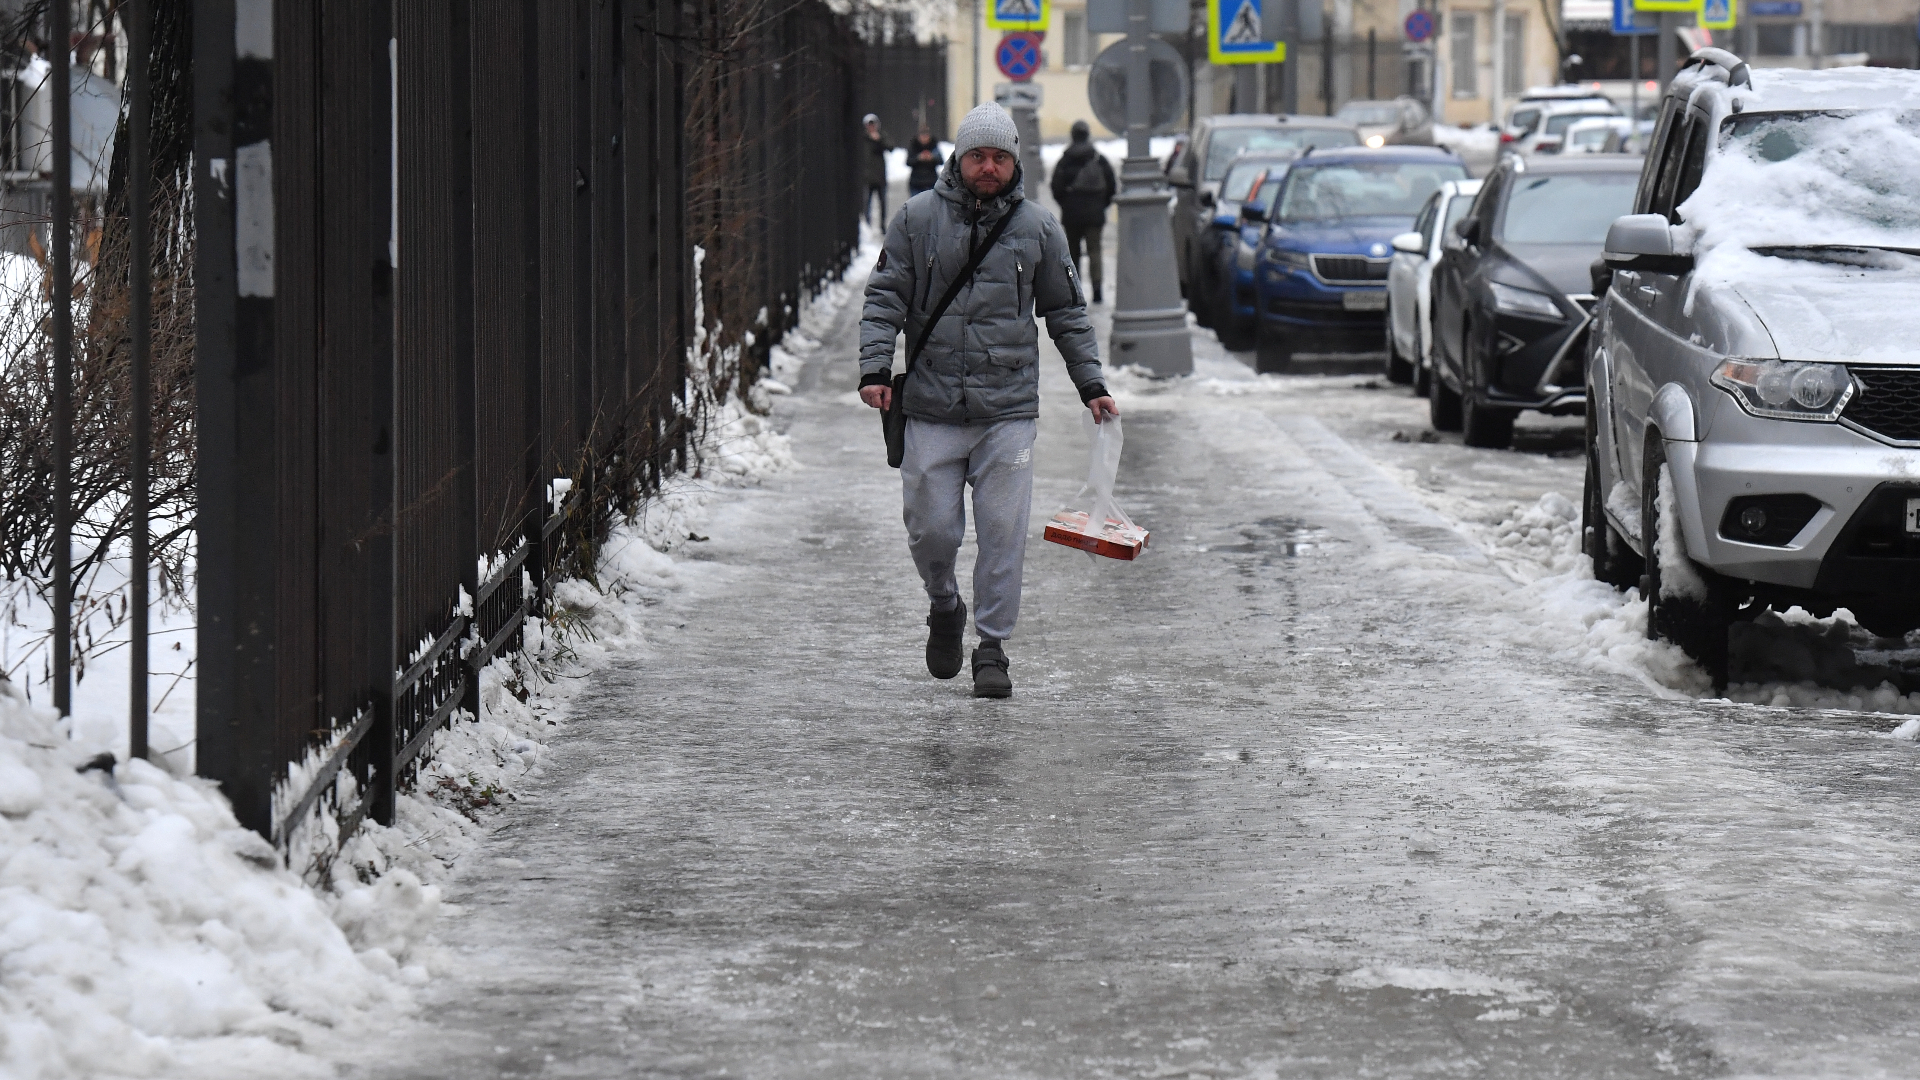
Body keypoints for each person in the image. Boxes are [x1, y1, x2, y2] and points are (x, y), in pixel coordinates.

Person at [859, 102, 1119, 700]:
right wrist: (876, 367)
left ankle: (993, 647)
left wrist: (1092, 386)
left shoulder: (1038, 228)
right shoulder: (916, 218)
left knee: (1003, 532)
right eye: (978, 155)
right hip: (930, 405)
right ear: (959, 157)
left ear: (1014, 163)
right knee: (932, 531)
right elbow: (885, 297)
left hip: (1007, 410)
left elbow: (1067, 314)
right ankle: (944, 603)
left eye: (1000, 157)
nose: (988, 167)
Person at [1048, 120, 1117, 304]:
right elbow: (1112, 185)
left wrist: (1066, 203)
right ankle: (1097, 290)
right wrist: (1102, 203)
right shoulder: (1098, 159)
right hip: (1095, 213)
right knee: (1095, 251)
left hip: (1072, 214)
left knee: (1073, 253)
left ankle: (1074, 290)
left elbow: (1056, 187)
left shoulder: (1065, 160)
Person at [862, 113, 892, 226]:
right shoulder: (863, 139)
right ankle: (867, 224)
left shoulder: (882, 136)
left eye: (873, 124)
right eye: (869, 125)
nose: (871, 127)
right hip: (867, 176)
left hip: (880, 176)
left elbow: (891, 147)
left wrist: (879, 140)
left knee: (882, 203)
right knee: (867, 203)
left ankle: (882, 224)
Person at [905, 124, 944, 198]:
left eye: (926, 136)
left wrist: (932, 158)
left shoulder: (933, 146)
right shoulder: (914, 146)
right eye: (922, 136)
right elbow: (908, 162)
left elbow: (941, 161)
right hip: (916, 182)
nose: (924, 138)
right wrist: (918, 158)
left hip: (931, 181)